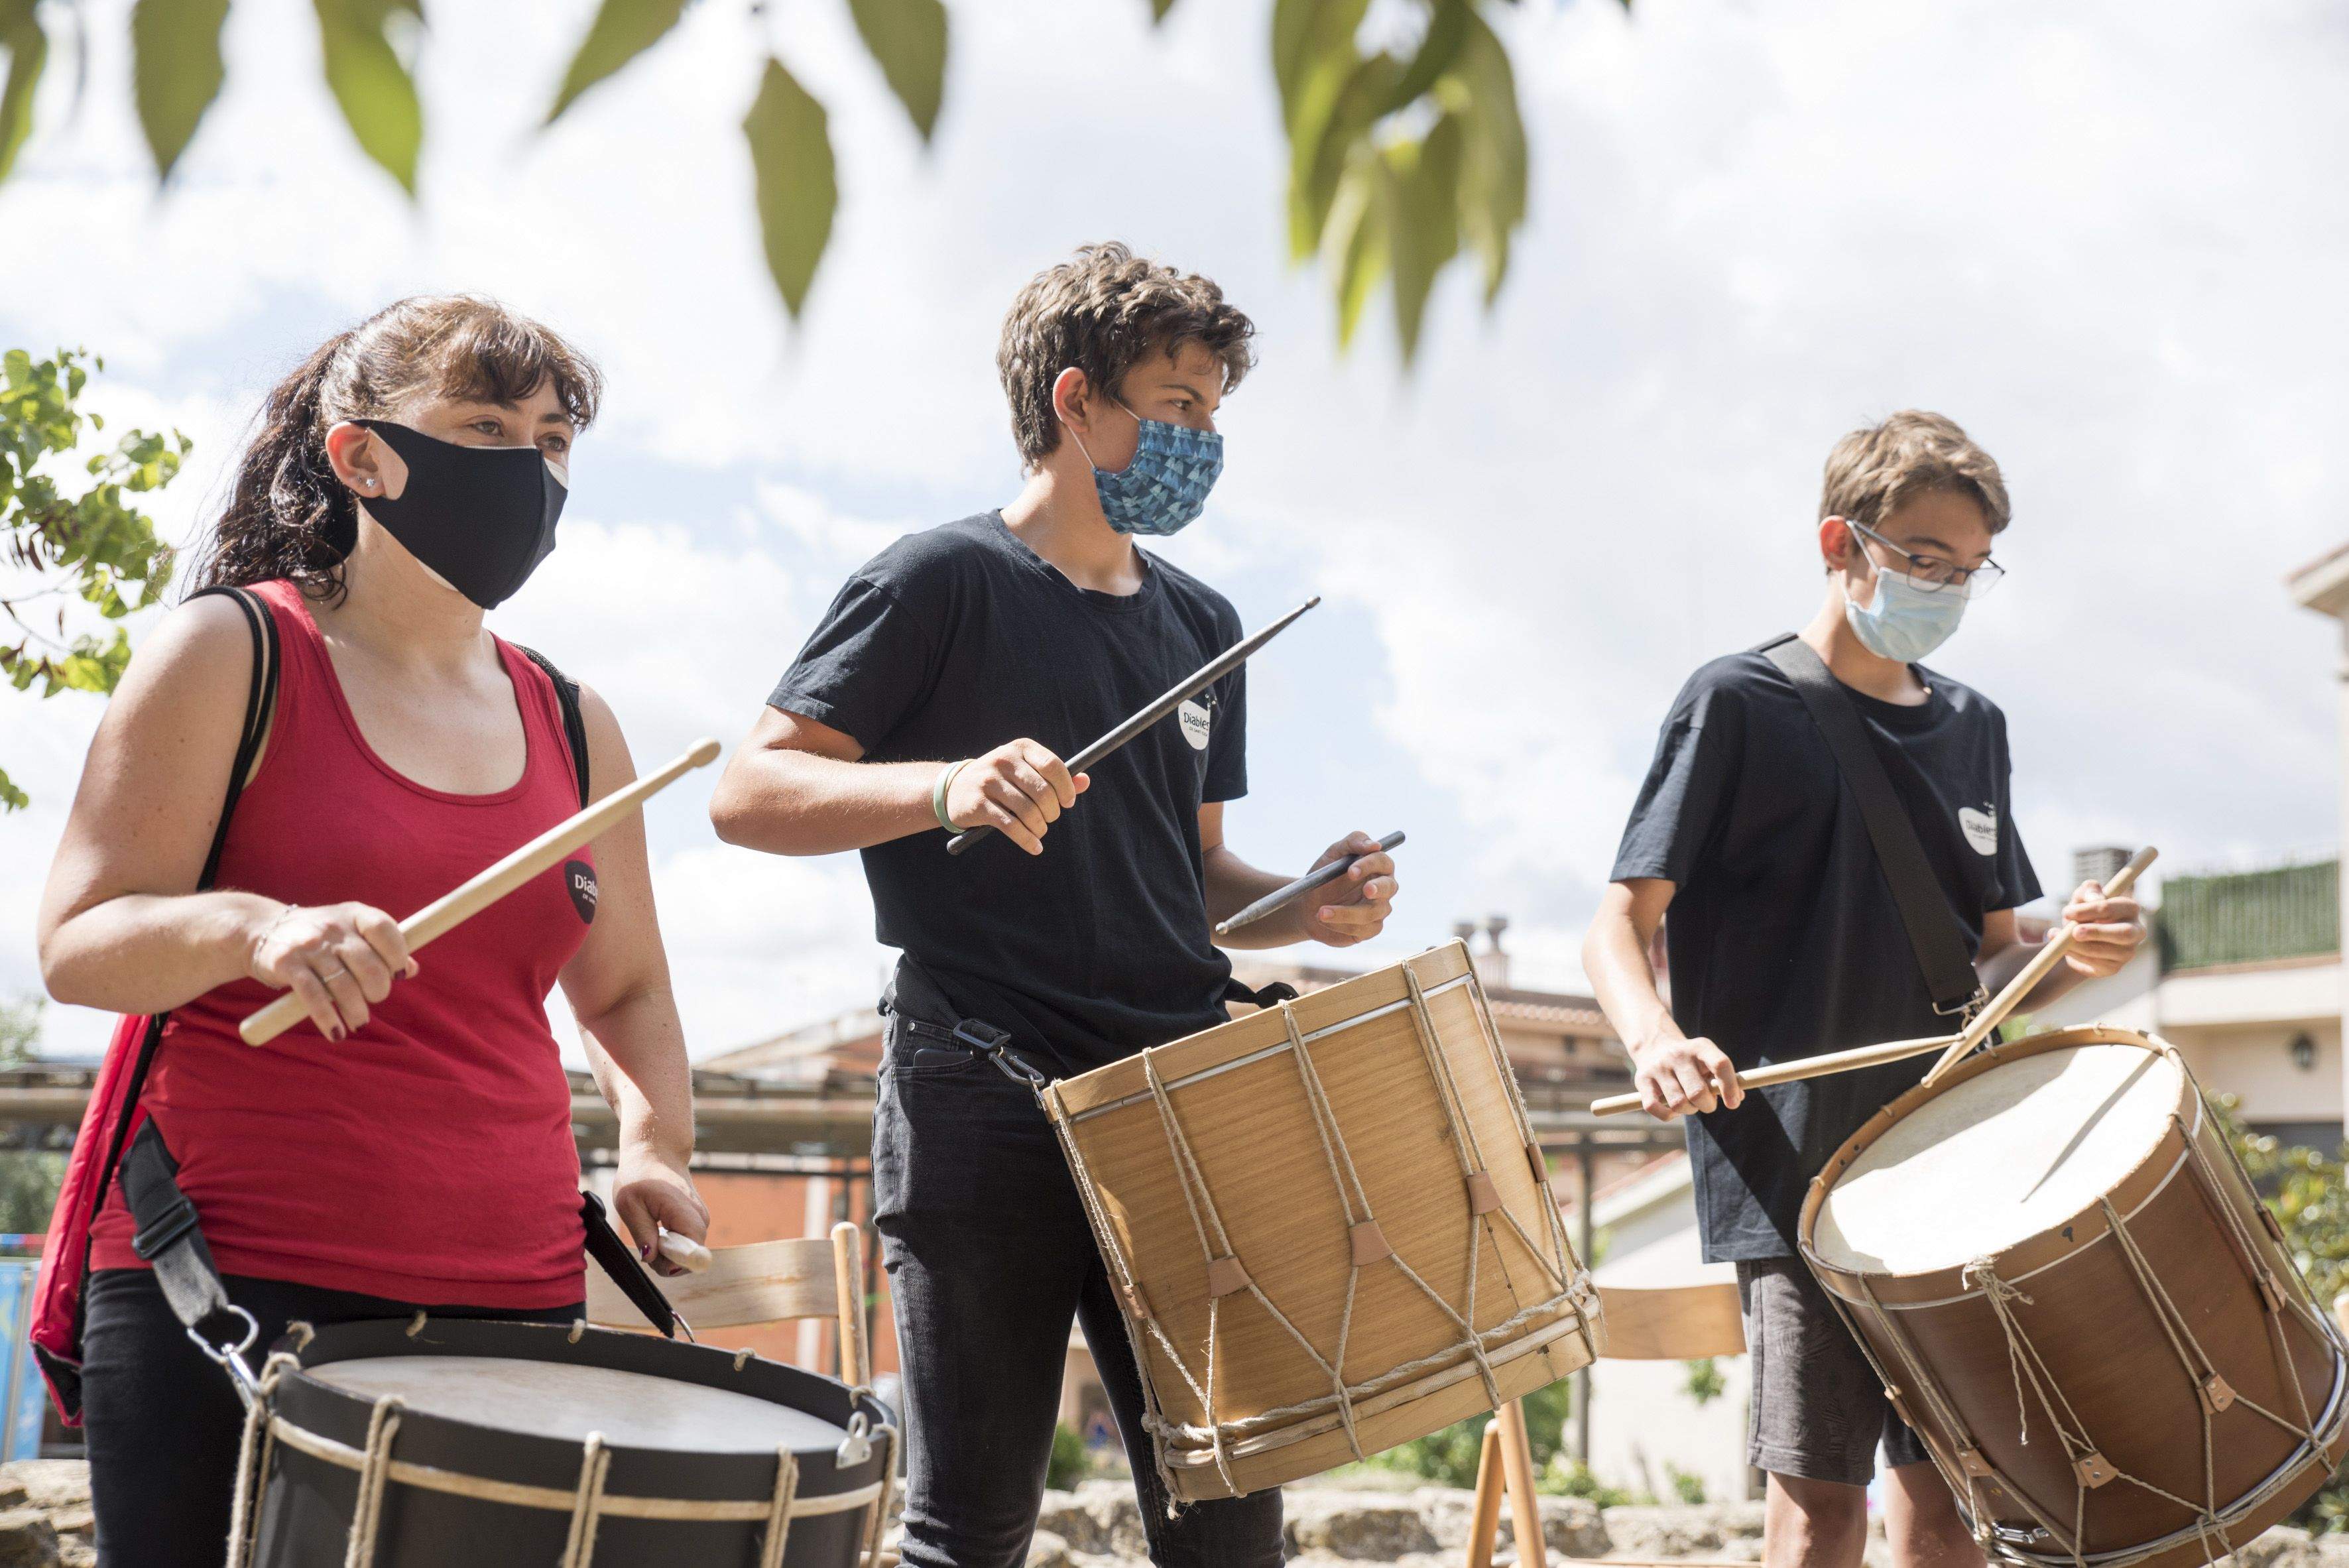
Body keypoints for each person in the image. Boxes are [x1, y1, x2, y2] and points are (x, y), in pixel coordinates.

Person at [710, 241, 1401, 1568]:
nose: (1201, 441)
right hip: (981, 1091)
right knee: (969, 1535)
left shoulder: (1204, 623)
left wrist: (1305, 902)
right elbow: (748, 791)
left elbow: (1196, 880)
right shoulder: (936, 581)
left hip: (1178, 1106)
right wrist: (948, 787)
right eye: (1176, 404)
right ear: (1075, 399)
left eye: (1214, 412)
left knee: (1229, 1535)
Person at [34, 296, 708, 1567]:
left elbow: (624, 990)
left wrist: (654, 1145)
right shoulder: (230, 650)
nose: (529, 469)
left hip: (515, 1300)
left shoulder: (577, 722)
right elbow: (77, 940)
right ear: (361, 456)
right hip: (233, 1284)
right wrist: (256, 928)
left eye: (553, 440)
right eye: (486, 427)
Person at [1581, 412, 2147, 1568]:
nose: (1948, 588)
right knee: (1821, 1511)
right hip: (1795, 1162)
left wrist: (2067, 953)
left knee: (1957, 1506)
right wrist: (1655, 1039)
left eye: (1970, 568)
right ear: (1842, 542)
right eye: (1925, 559)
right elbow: (1618, 925)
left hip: (1953, 1150)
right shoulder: (1736, 702)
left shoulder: (1975, 727)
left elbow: (1993, 960)